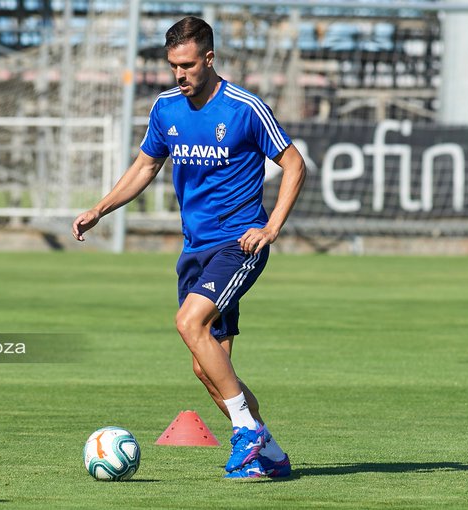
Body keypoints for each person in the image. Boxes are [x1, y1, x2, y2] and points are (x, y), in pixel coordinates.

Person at [72, 16, 306, 479]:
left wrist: (271, 227)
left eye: (187, 64)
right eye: (173, 65)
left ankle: (246, 432)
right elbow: (145, 166)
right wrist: (100, 209)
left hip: (238, 241)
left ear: (209, 58)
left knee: (187, 322)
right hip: (195, 248)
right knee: (208, 369)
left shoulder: (245, 108)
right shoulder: (165, 108)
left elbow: (294, 164)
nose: (179, 74)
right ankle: (272, 457)